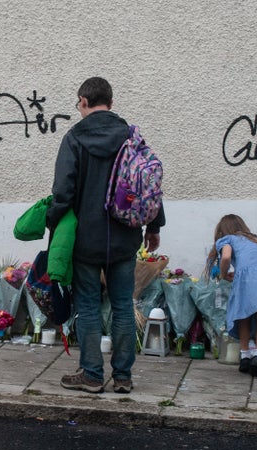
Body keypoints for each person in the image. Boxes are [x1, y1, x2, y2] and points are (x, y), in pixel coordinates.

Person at [46, 77, 166, 394]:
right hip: (126, 236)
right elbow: (148, 184)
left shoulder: (74, 139)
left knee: (86, 306)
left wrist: (52, 223)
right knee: (124, 305)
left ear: (84, 101)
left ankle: (92, 374)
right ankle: (123, 377)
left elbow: (62, 191)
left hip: (86, 239)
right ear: (110, 103)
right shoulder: (130, 137)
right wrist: (154, 226)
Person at [205, 214, 257, 377]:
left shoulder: (227, 239)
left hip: (246, 282)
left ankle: (244, 357)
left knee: (243, 316)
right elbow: (255, 262)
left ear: (222, 230)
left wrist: (223, 273)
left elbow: (226, 257)